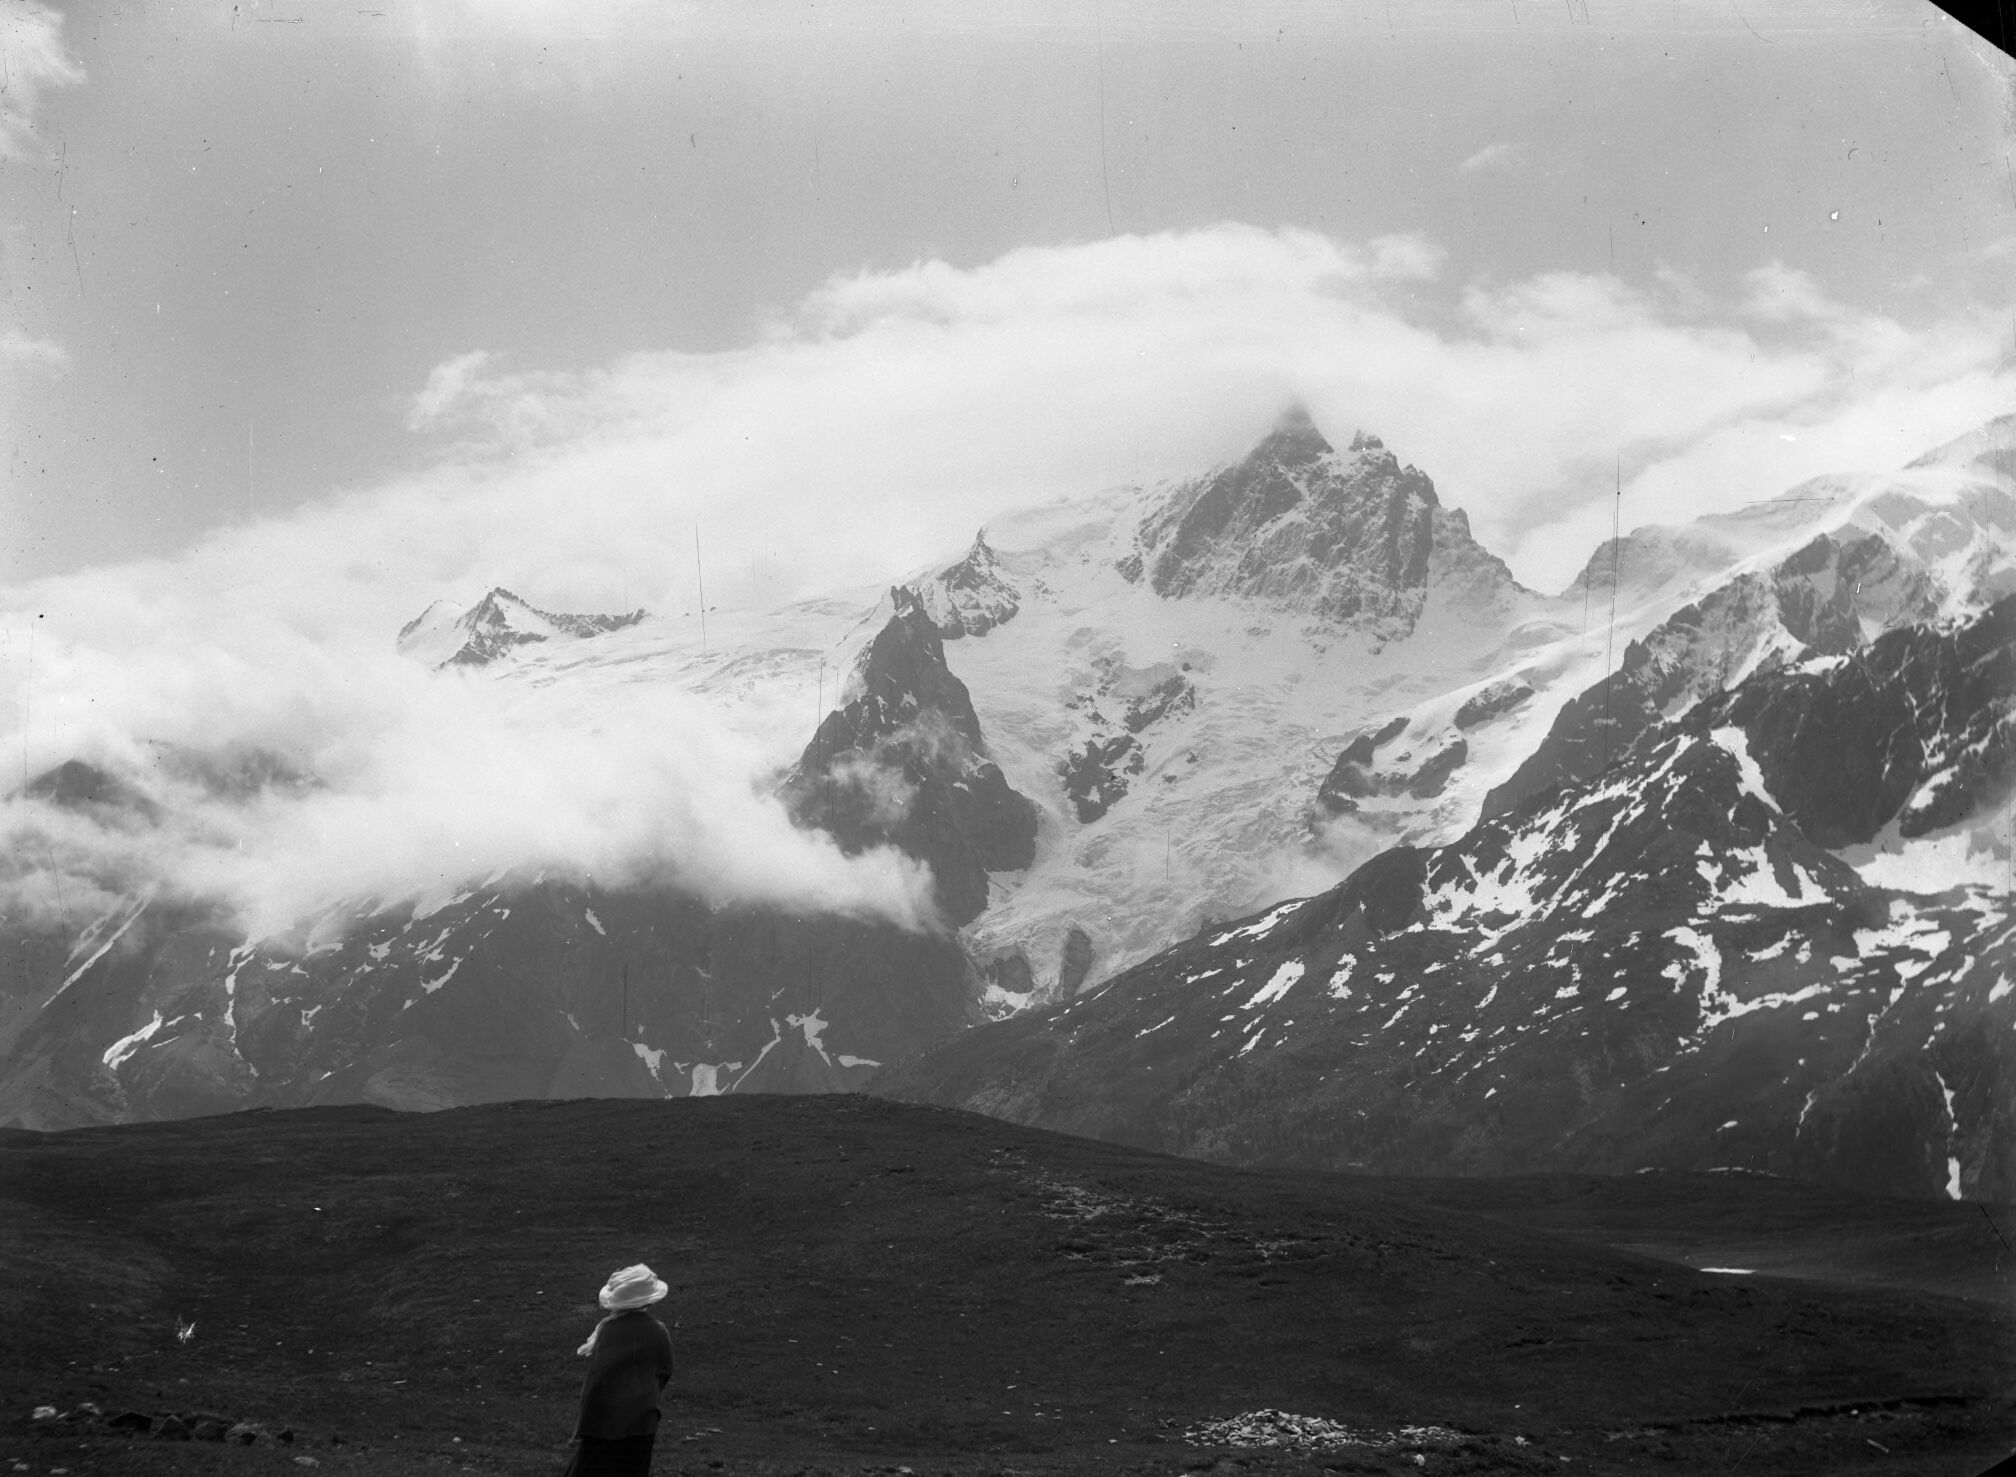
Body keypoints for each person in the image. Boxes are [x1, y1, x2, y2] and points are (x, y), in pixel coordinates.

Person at [562, 1263, 675, 1477]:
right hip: (643, 1421)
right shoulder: (658, 1331)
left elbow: (596, 1382)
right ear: (649, 1300)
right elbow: (665, 1370)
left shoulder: (608, 1331)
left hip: (606, 1424)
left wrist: (581, 1427)